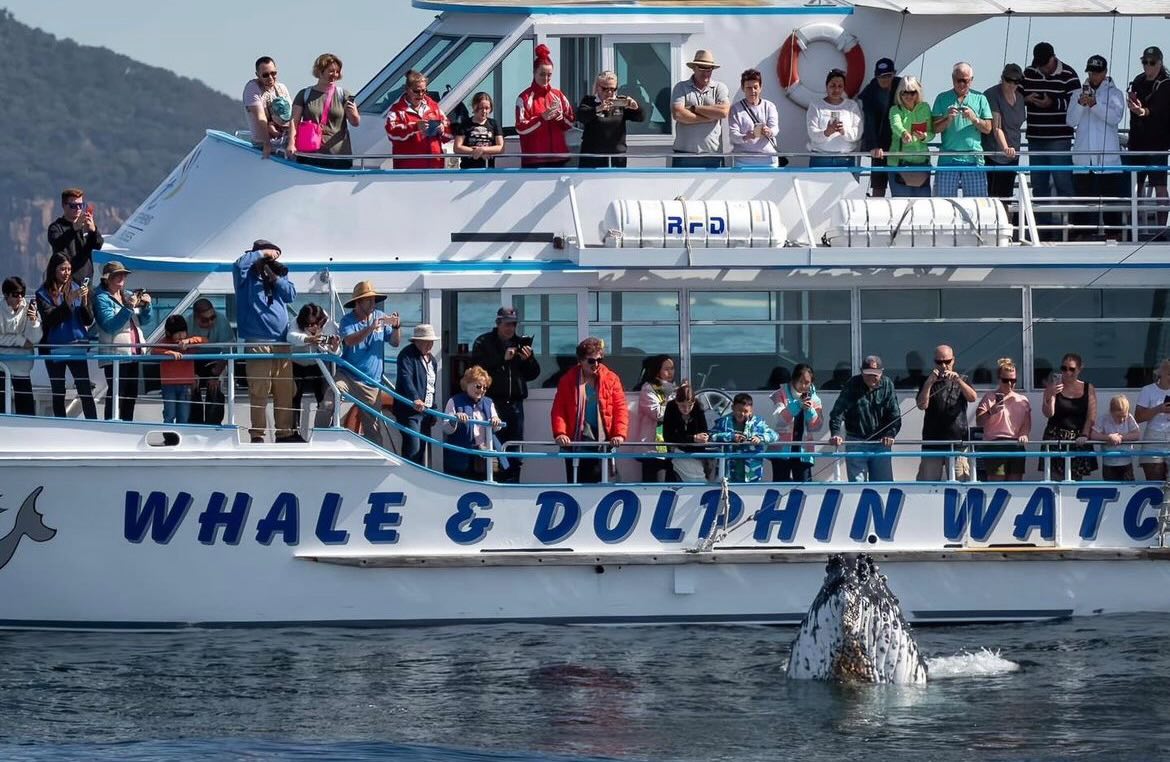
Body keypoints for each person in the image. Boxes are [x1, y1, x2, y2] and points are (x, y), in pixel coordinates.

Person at [317, 281, 400, 446]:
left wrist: (397, 327)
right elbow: (349, 341)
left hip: (371, 381)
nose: (372, 303)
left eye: (374, 300)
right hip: (347, 375)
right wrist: (370, 328)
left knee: (373, 428)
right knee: (329, 402)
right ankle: (319, 438)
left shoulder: (380, 316)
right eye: (368, 300)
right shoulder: (347, 320)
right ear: (358, 302)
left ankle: (375, 458)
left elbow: (395, 343)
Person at [233, 239, 298, 443]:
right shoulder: (245, 276)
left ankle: (285, 432)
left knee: (284, 390)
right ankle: (258, 435)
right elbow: (237, 264)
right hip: (258, 341)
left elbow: (291, 295)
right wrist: (262, 254)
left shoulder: (277, 275)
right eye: (267, 256)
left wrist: (275, 277)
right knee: (259, 390)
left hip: (282, 341)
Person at [471, 306, 539, 482]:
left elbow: (533, 374)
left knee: (515, 450)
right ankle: (493, 483)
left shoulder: (520, 343)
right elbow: (476, 369)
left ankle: (513, 484)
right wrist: (503, 358)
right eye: (507, 324)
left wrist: (528, 359)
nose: (510, 328)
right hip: (491, 403)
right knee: (492, 447)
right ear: (498, 323)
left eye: (514, 324)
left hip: (515, 404)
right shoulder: (484, 342)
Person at [550, 337, 627, 484]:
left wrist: (619, 434)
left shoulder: (611, 378)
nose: (596, 364)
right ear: (581, 360)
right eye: (591, 361)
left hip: (602, 442)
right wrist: (560, 433)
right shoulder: (568, 379)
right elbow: (558, 410)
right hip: (575, 442)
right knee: (576, 484)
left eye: (600, 360)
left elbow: (620, 408)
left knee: (601, 483)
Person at [1023, 42, 1081, 235]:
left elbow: (1076, 105)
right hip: (1036, 137)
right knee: (1039, 185)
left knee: (1063, 182)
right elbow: (1017, 93)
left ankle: (1070, 227)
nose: (1041, 68)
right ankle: (1043, 229)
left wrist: (1052, 103)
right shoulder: (1029, 72)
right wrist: (1027, 99)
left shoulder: (1070, 75)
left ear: (1053, 58)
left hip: (1059, 138)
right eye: (1038, 64)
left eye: (1044, 64)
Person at [1067, 55, 1126, 241]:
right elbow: (1071, 121)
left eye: (1097, 72)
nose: (1093, 76)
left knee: (1111, 203)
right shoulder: (1077, 93)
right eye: (1091, 71)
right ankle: (1081, 235)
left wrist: (1094, 105)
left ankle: (1113, 236)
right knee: (1083, 203)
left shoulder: (1115, 94)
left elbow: (1115, 118)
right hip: (1084, 159)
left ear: (1105, 73)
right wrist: (1081, 104)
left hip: (1108, 161)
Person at [35, 252, 96, 419]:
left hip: (77, 346)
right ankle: (60, 423)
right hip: (54, 348)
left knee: (84, 388)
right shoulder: (43, 293)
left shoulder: (77, 288)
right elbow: (50, 319)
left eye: (69, 269)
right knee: (58, 390)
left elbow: (88, 319)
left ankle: (93, 422)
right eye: (63, 269)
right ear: (53, 270)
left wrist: (84, 302)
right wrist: (69, 301)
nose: (67, 272)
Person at [93, 261, 152, 421]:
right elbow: (109, 325)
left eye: (123, 274)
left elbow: (143, 320)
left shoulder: (126, 295)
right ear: (107, 278)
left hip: (133, 354)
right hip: (115, 355)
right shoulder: (101, 298)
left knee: (130, 395)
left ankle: (127, 424)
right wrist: (128, 308)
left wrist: (147, 307)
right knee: (117, 394)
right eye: (117, 274)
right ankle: (110, 426)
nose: (121, 277)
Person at [828, 355, 900, 482]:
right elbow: (838, 412)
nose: (872, 378)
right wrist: (836, 433)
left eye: (875, 374)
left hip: (881, 443)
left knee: (883, 484)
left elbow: (894, 415)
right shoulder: (852, 384)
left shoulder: (888, 384)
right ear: (861, 372)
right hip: (856, 442)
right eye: (868, 374)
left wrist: (890, 434)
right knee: (857, 485)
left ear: (881, 372)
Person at [287, 53, 361, 170]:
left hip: (338, 156)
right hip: (310, 154)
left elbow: (355, 123)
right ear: (320, 71)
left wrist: (353, 112)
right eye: (331, 71)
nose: (334, 75)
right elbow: (293, 121)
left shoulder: (343, 95)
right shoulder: (305, 94)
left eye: (337, 72)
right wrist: (291, 143)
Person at [1125, 46, 1170, 234]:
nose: (1148, 66)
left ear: (1160, 63)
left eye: (1151, 63)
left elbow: (1159, 110)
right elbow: (1136, 107)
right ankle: (1135, 227)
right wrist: (1134, 106)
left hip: (1157, 142)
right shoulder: (1138, 80)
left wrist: (1142, 111)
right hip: (1137, 140)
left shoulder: (1166, 84)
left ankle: (1160, 229)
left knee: (1159, 184)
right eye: (1145, 62)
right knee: (1136, 184)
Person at [916, 344, 977, 481]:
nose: (943, 366)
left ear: (953, 360)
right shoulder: (926, 381)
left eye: (947, 362)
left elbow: (972, 397)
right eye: (939, 362)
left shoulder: (963, 379)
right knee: (928, 485)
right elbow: (922, 405)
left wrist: (958, 381)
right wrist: (929, 383)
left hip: (957, 444)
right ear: (934, 362)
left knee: (961, 484)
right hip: (932, 443)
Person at [931, 62, 992, 197]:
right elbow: (934, 129)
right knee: (944, 204)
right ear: (953, 79)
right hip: (947, 159)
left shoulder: (980, 98)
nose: (962, 84)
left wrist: (974, 118)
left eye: (965, 80)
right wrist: (948, 118)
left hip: (974, 159)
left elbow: (988, 128)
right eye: (959, 80)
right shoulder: (942, 98)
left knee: (976, 205)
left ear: (971, 80)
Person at [516, 44, 575, 169]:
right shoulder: (524, 97)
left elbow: (570, 122)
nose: (546, 78)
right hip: (534, 160)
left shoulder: (558, 95)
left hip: (559, 158)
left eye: (549, 75)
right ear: (534, 73)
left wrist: (560, 117)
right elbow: (520, 128)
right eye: (542, 74)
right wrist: (542, 118)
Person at [442, 365, 505, 481]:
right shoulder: (454, 401)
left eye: (485, 388)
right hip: (462, 454)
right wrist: (454, 419)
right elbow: (446, 428)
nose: (481, 390)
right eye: (478, 386)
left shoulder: (488, 402)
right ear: (467, 384)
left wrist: (496, 422)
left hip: (483, 453)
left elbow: (496, 427)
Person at [1041, 352, 1097, 481]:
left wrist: (1085, 434)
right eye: (1064, 368)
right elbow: (1048, 413)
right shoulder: (1054, 386)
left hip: (1078, 439)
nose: (1067, 372)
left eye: (1071, 369)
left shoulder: (1088, 388)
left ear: (1079, 369)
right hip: (1055, 438)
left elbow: (1091, 415)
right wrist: (1050, 395)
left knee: (1076, 481)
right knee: (1054, 480)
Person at [671, 50, 731, 168]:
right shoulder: (680, 87)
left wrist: (694, 108)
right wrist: (709, 117)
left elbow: (723, 112)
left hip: (713, 156)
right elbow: (678, 114)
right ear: (694, 68)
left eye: (709, 69)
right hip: (684, 155)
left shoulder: (720, 87)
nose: (706, 73)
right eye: (702, 69)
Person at [974, 358, 1031, 482]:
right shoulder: (990, 397)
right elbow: (979, 422)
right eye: (1006, 380)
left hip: (1016, 444)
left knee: (1015, 483)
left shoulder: (1022, 400)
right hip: (995, 444)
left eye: (1013, 380)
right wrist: (991, 411)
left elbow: (1026, 423)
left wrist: (1024, 434)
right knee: (996, 482)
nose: (1010, 384)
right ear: (999, 379)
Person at [289, 303, 339, 437]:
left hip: (319, 364)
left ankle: (324, 432)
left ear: (321, 320)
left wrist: (332, 347)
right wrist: (309, 339)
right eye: (308, 325)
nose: (313, 327)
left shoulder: (329, 325)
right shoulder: (295, 322)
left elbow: (336, 352)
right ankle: (294, 433)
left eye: (316, 324)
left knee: (324, 398)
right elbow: (291, 337)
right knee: (294, 397)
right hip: (297, 363)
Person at [577, 70, 645, 169]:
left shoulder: (620, 102)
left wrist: (636, 107)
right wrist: (598, 109)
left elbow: (640, 118)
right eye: (605, 89)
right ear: (597, 87)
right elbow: (581, 117)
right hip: (592, 156)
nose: (609, 93)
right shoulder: (589, 101)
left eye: (612, 89)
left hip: (616, 157)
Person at [385, 70, 451, 170]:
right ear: (407, 89)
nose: (420, 94)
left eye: (424, 91)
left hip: (435, 168)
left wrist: (442, 129)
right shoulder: (397, 110)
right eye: (416, 91)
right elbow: (391, 133)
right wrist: (414, 127)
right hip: (409, 170)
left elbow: (449, 132)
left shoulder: (434, 107)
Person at [769, 363, 823, 483]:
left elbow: (817, 426)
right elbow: (779, 420)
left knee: (804, 487)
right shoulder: (780, 394)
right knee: (780, 487)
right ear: (793, 379)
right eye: (800, 381)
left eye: (807, 382)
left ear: (811, 383)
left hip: (803, 451)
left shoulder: (815, 399)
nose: (803, 385)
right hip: (781, 451)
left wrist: (810, 410)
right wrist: (798, 405)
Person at [394, 324, 440, 466]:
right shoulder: (406, 356)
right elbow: (406, 378)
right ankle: (407, 477)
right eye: (427, 341)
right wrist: (415, 398)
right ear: (417, 341)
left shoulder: (432, 360)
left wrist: (434, 410)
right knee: (413, 448)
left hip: (426, 411)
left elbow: (431, 386)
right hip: (409, 411)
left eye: (431, 341)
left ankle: (417, 478)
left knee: (421, 450)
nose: (430, 345)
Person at [710, 393, 779, 483]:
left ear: (751, 411)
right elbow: (711, 436)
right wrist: (730, 437)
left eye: (745, 411)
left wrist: (760, 438)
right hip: (728, 475)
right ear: (732, 408)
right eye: (739, 410)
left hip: (752, 474)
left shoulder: (757, 423)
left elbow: (774, 435)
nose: (742, 414)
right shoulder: (724, 422)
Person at [186, 298, 234, 426]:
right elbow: (183, 352)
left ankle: (213, 426)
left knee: (215, 388)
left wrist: (215, 375)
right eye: (205, 320)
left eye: (212, 317)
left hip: (216, 359)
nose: (210, 321)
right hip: (193, 360)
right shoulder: (187, 322)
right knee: (191, 389)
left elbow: (227, 351)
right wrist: (190, 373)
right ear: (196, 318)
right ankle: (194, 427)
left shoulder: (221, 320)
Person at [151, 315, 206, 425]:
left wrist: (189, 341)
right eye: (177, 332)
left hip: (186, 385)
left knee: (184, 416)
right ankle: (169, 439)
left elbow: (204, 340)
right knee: (169, 414)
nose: (181, 335)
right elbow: (154, 351)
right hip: (169, 385)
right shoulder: (164, 342)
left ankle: (180, 439)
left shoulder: (189, 342)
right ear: (169, 333)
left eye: (183, 331)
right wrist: (169, 353)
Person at [983, 63, 1026, 201]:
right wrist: (1005, 148)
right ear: (1002, 78)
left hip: (1013, 156)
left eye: (1016, 81)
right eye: (1008, 80)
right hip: (995, 155)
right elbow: (997, 128)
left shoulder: (1020, 98)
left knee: (1007, 196)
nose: (1012, 84)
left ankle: (1007, 220)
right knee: (993, 197)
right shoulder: (992, 95)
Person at [859, 57, 901, 197]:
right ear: (876, 76)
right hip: (879, 144)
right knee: (878, 184)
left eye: (888, 76)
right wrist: (873, 145)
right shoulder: (870, 92)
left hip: (899, 142)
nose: (884, 79)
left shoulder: (903, 86)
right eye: (881, 76)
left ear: (894, 74)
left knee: (900, 183)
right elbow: (869, 121)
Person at [0, 276, 41, 415]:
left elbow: (35, 339)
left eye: (22, 294)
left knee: (26, 409)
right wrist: (20, 341)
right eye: (16, 295)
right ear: (5, 295)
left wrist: (33, 321)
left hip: (23, 366)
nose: (20, 298)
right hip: (2, 364)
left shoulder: (29, 308)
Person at [806, 69, 863, 169]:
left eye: (840, 86)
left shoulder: (852, 106)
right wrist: (827, 132)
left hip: (846, 159)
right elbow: (812, 133)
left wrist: (844, 131)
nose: (836, 90)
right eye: (832, 86)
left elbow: (857, 133)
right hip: (821, 159)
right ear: (826, 86)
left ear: (843, 88)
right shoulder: (815, 106)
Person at [887, 75, 934, 197]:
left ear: (917, 93)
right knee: (902, 207)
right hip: (899, 164)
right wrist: (904, 133)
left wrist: (924, 136)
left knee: (923, 207)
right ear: (899, 93)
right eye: (904, 93)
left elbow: (931, 133)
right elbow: (895, 125)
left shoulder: (925, 108)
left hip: (922, 164)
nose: (908, 96)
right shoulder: (895, 109)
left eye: (912, 93)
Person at [633, 354, 676, 482]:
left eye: (672, 368)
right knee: (651, 485)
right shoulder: (648, 388)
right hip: (651, 448)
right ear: (657, 370)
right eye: (666, 369)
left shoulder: (672, 389)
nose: (670, 372)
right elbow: (658, 414)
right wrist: (671, 400)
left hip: (669, 446)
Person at [47, 187, 102, 285]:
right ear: (64, 205)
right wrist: (74, 228)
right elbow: (58, 244)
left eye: (81, 205)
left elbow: (98, 245)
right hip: (66, 281)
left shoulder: (86, 225)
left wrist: (93, 231)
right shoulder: (56, 227)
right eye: (73, 206)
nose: (78, 209)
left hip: (86, 280)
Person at [728, 68, 780, 168]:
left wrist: (769, 131)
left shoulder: (770, 106)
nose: (753, 91)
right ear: (743, 88)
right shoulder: (735, 109)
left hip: (768, 160)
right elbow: (733, 135)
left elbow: (775, 128)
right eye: (748, 88)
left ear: (760, 88)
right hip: (743, 162)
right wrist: (746, 137)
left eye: (755, 87)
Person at [243, 56, 291, 158]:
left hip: (284, 141)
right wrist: (267, 143)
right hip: (263, 145)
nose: (270, 78)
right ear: (258, 75)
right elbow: (260, 117)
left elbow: (291, 116)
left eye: (273, 73)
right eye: (265, 75)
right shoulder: (252, 88)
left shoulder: (281, 88)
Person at [663, 382, 711, 482]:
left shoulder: (698, 406)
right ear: (676, 402)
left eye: (690, 405)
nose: (686, 409)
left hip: (696, 454)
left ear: (694, 402)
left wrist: (704, 438)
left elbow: (704, 431)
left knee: (700, 480)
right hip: (677, 452)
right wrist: (693, 438)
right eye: (682, 406)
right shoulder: (670, 407)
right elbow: (668, 435)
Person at [1135, 357, 1170, 481]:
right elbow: (1138, 417)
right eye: (1169, 373)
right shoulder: (1148, 390)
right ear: (1160, 373)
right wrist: (1159, 409)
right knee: (1155, 482)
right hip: (1153, 439)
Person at [1091, 395, 1140, 482]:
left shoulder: (1129, 418)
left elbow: (1136, 434)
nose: (1121, 420)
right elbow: (1093, 435)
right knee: (1110, 488)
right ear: (1111, 412)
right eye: (1118, 416)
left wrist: (1121, 437)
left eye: (1123, 416)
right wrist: (1108, 437)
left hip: (1126, 461)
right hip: (1108, 462)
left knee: (1128, 487)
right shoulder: (1103, 419)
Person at [454, 92, 505, 170]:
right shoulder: (465, 124)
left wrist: (483, 150)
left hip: (488, 169)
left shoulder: (494, 124)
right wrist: (476, 152)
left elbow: (501, 147)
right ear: (474, 107)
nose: (484, 111)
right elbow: (457, 147)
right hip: (468, 169)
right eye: (481, 108)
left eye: (487, 108)